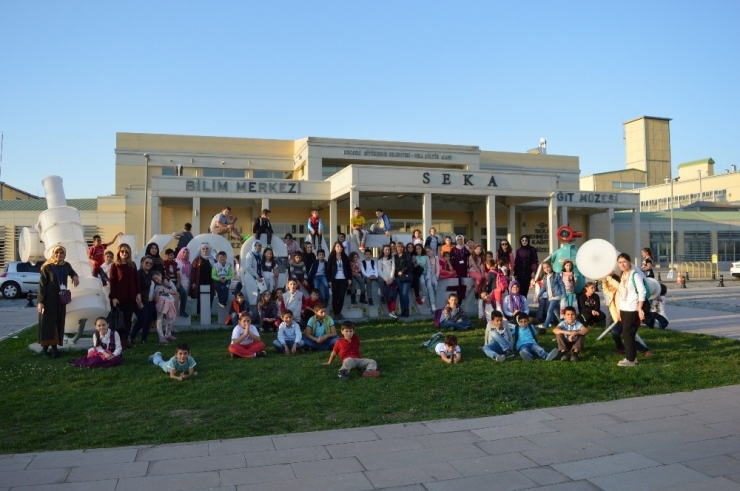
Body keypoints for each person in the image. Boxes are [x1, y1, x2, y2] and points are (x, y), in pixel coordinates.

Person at [36, 245, 79, 359]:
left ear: (64, 255)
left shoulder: (66, 266)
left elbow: (72, 272)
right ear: (53, 254)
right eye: (57, 253)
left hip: (60, 300)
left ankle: (45, 349)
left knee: (57, 323)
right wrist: (40, 301)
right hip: (48, 300)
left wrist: (75, 276)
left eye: (61, 253)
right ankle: (53, 350)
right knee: (48, 324)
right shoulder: (47, 267)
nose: (59, 255)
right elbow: (42, 286)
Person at [616, 252, 649, 367]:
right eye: (620, 262)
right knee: (629, 333)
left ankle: (630, 360)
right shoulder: (623, 275)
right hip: (624, 309)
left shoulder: (635, 275)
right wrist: (619, 311)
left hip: (633, 309)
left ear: (629, 262)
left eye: (624, 261)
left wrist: (640, 308)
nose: (622, 264)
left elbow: (642, 292)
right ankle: (632, 357)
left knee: (627, 333)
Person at [108, 243, 140, 346]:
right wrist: (113, 297)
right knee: (118, 321)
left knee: (128, 320)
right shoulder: (115, 266)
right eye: (122, 251)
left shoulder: (132, 265)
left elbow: (136, 281)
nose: (124, 253)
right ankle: (117, 341)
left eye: (127, 251)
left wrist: (138, 293)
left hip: (130, 297)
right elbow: (112, 283)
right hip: (118, 298)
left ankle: (125, 340)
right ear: (118, 252)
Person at [130, 256, 155, 345]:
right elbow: (137, 288)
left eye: (150, 263)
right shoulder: (138, 273)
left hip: (148, 300)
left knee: (147, 320)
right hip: (139, 300)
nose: (148, 264)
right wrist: (139, 301)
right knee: (142, 319)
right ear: (142, 263)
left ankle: (144, 339)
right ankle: (132, 336)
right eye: (146, 262)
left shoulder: (149, 274)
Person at [536, 261, 565, 333]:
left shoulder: (557, 275)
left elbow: (562, 285)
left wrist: (564, 295)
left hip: (557, 296)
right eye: (544, 268)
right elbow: (543, 288)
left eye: (548, 267)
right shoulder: (545, 277)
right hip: (550, 297)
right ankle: (564, 325)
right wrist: (538, 296)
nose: (546, 269)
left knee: (549, 311)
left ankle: (544, 327)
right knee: (557, 313)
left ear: (551, 266)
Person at [151, 270, 179, 343]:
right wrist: (158, 292)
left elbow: (175, 292)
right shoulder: (155, 286)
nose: (157, 280)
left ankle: (168, 334)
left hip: (170, 302)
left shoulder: (169, 283)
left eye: (157, 278)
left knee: (171, 318)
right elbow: (155, 299)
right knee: (159, 320)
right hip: (161, 304)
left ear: (160, 275)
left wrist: (166, 291)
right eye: (155, 279)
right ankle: (161, 337)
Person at [327, 241, 352, 320]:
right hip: (334, 280)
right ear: (334, 248)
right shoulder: (331, 257)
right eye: (338, 246)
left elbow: (349, 269)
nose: (339, 248)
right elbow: (328, 269)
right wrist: (329, 280)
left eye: (340, 246)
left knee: (341, 296)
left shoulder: (345, 257)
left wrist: (350, 278)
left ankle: (338, 313)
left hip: (344, 279)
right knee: (335, 297)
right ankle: (336, 313)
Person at [190, 242, 215, 311]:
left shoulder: (213, 260)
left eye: (207, 249)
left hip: (210, 283)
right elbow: (193, 272)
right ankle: (199, 315)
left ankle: (208, 315)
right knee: (200, 299)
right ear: (200, 250)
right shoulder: (197, 260)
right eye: (203, 249)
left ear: (209, 249)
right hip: (199, 283)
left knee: (210, 298)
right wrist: (193, 282)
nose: (205, 250)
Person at [163, 248, 187, 317]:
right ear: (165, 256)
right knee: (167, 297)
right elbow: (165, 275)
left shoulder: (176, 264)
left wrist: (178, 283)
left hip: (175, 281)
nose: (170, 256)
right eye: (168, 255)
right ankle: (165, 313)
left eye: (172, 255)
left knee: (183, 293)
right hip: (168, 281)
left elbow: (178, 274)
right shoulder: (163, 263)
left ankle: (182, 311)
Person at [394, 242, 414, 317]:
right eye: (398, 247)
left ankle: (406, 310)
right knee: (401, 295)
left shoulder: (407, 255)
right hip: (398, 278)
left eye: (401, 247)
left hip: (406, 276)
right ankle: (402, 310)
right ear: (396, 248)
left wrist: (402, 271)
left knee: (404, 294)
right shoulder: (395, 256)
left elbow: (409, 265)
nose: (400, 248)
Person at [378, 244, 398, 319]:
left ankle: (393, 311)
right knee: (388, 296)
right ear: (383, 250)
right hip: (385, 281)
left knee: (394, 296)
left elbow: (393, 268)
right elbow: (380, 271)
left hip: (392, 280)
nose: (387, 251)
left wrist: (391, 278)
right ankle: (390, 311)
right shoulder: (380, 260)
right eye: (386, 250)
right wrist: (386, 279)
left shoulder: (392, 258)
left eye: (389, 250)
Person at [452, 235, 470, 300]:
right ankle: (456, 298)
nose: (460, 241)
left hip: (464, 268)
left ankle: (462, 298)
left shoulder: (466, 248)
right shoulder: (453, 249)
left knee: (463, 283)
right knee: (457, 283)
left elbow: (470, 257)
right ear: (456, 241)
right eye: (458, 240)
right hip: (456, 268)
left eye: (461, 239)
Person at [175, 247, 192, 317]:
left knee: (184, 298)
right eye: (183, 252)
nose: (185, 254)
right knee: (177, 298)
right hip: (178, 282)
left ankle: (182, 312)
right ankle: (176, 313)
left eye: (187, 253)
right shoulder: (176, 262)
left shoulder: (188, 263)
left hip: (186, 282)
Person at [423, 246, 438, 310]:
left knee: (434, 285)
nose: (428, 253)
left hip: (433, 275)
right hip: (427, 275)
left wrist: (437, 275)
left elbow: (438, 268)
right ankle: (431, 304)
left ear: (432, 250)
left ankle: (433, 304)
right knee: (429, 287)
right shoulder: (425, 258)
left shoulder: (436, 258)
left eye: (429, 251)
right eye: (426, 252)